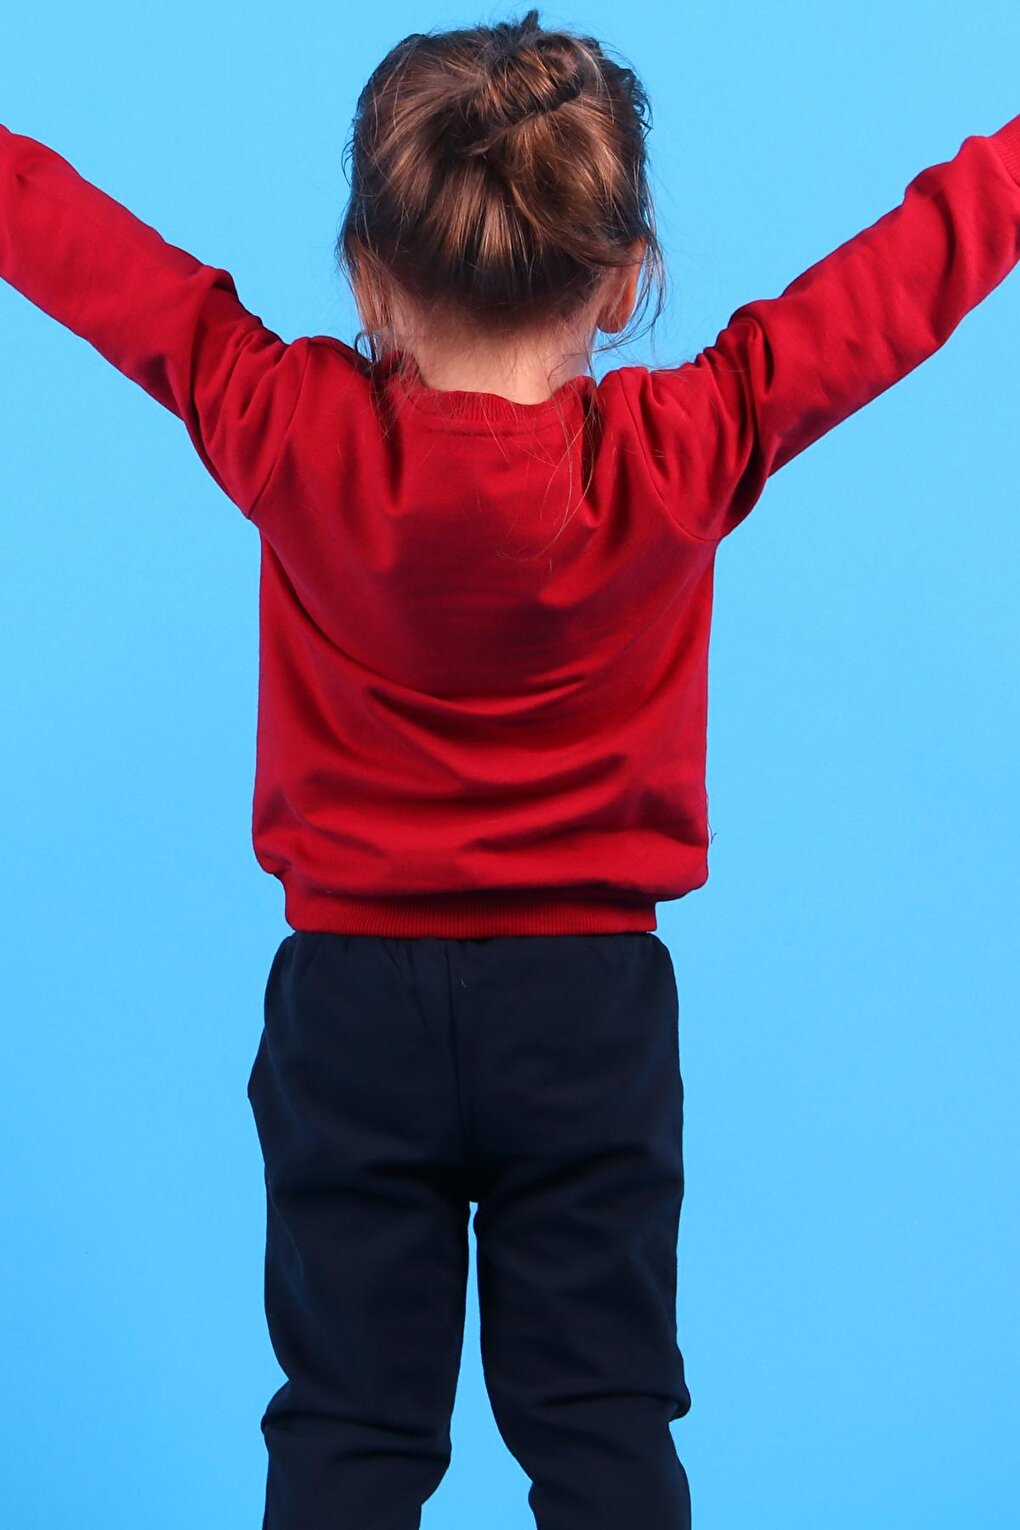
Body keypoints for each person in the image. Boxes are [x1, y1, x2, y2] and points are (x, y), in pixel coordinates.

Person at [2, 8, 1018, 1529]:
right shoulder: (686, 449)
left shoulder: (289, 430)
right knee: (604, 1427)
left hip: (350, 1008)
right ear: (625, 283)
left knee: (347, 1427)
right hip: (590, 1013)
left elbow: (104, 267)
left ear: (362, 271)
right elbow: (888, 290)